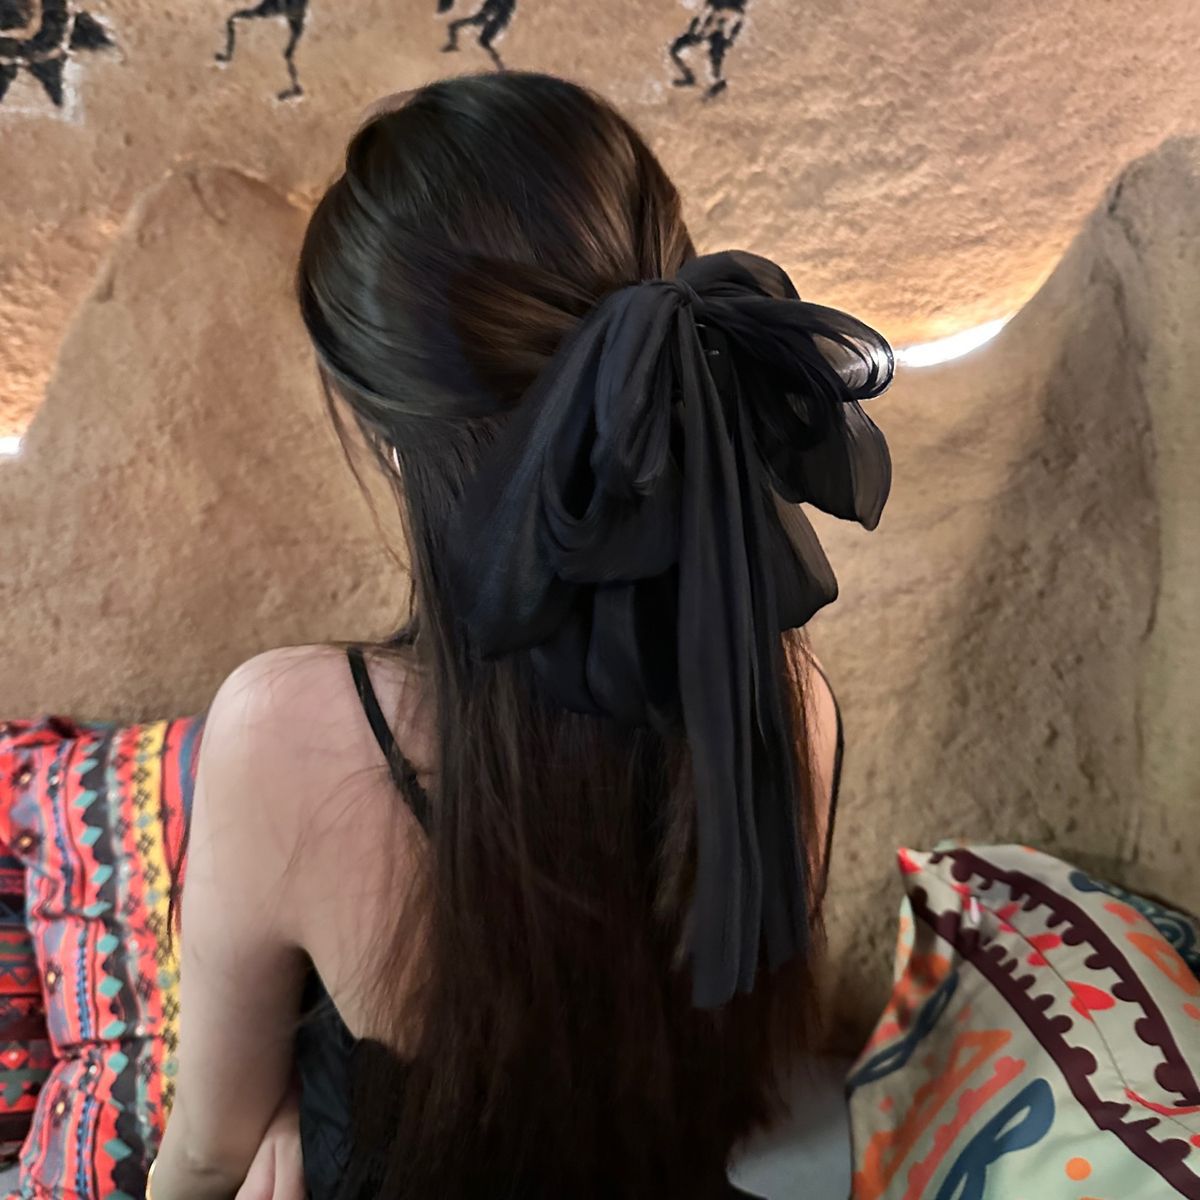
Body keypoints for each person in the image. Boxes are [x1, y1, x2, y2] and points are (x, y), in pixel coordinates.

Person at [151, 72, 892, 1200]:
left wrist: (292, 1113)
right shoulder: (794, 702)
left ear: (388, 434)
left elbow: (208, 1151)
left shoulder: (279, 730)